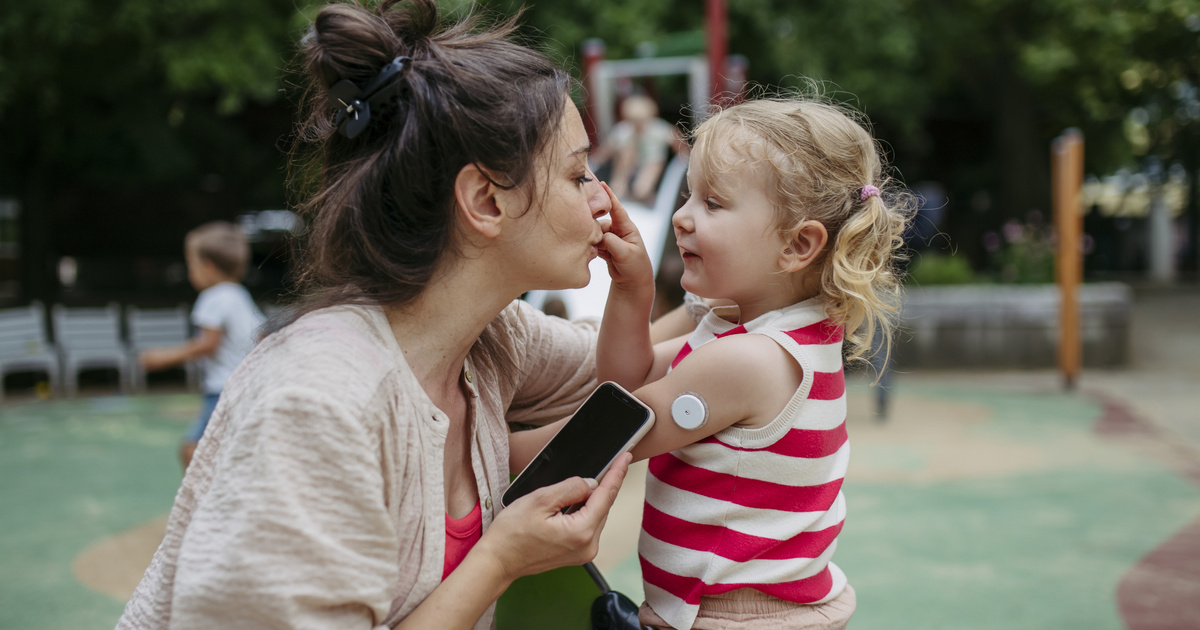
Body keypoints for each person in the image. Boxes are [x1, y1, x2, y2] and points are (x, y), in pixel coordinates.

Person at [115, 1, 645, 627]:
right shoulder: (318, 403)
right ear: (484, 200)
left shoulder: (487, 340)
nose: (602, 200)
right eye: (579, 173)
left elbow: (631, 369)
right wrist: (500, 559)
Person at [598, 96, 915, 629]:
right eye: (689, 196)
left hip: (736, 618)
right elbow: (623, 381)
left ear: (798, 245)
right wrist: (632, 292)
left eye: (713, 204)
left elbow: (604, 434)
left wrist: (486, 450)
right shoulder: (758, 324)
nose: (681, 216)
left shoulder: (752, 360)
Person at [138, 221, 266, 470]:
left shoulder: (213, 297)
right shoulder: (240, 295)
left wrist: (163, 357)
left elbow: (208, 343)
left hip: (221, 389)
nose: (190, 272)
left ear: (208, 267)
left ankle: (201, 503)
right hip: (247, 385)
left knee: (191, 448)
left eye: (191, 265)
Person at [590, 94, 687, 205]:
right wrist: (593, 162)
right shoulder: (623, 130)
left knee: (642, 187)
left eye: (641, 121)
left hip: (652, 162)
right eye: (633, 121)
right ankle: (620, 185)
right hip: (629, 164)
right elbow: (606, 150)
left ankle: (642, 191)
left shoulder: (658, 128)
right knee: (627, 149)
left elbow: (679, 143)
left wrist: (682, 161)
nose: (637, 125)